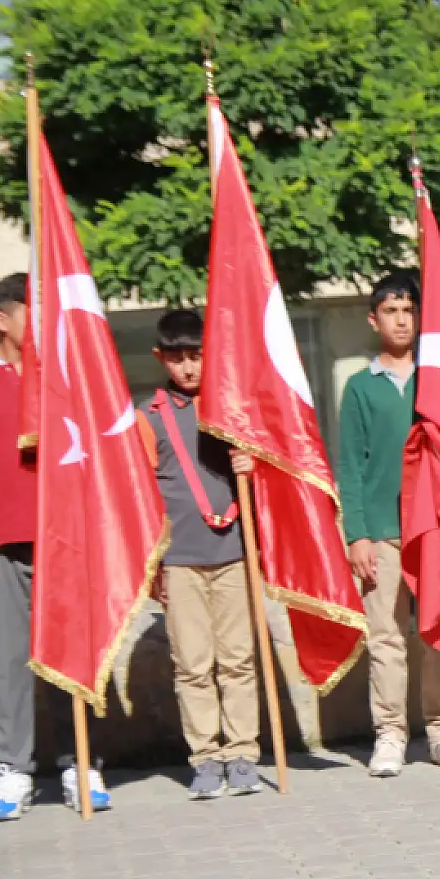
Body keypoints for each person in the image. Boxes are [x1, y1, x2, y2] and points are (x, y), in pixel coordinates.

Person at [0, 273, 110, 820]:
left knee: (73, 657)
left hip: (66, 544)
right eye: (32, 314)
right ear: (2, 319)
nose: (43, 326)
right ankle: (12, 770)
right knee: (6, 666)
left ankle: (79, 764)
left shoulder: (67, 381)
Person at [134, 310, 262, 799]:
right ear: (160, 358)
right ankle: (206, 758)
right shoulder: (149, 417)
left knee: (238, 659)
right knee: (192, 664)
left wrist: (251, 465)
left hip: (234, 553)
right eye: (177, 358)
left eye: (196, 356)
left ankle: (243, 753)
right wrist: (153, 565)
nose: (188, 367)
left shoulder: (232, 409)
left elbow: (269, 480)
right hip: (180, 560)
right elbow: (142, 496)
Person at [338, 273, 440, 777]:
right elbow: (350, 465)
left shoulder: (437, 380)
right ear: (374, 320)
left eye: (409, 310)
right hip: (382, 529)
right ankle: (390, 734)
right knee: (386, 637)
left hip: (430, 527)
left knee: (435, 632)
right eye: (391, 311)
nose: (401, 320)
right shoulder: (360, 388)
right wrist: (357, 534)